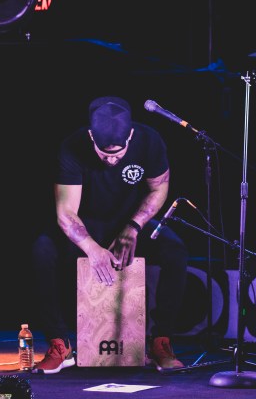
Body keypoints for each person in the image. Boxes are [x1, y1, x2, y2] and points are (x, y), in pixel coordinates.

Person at [30, 96, 189, 374]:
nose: (112, 159)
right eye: (105, 154)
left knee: (175, 250)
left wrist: (134, 227)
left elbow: (159, 188)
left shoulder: (149, 141)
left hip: (130, 221)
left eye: (119, 153)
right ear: (92, 137)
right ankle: (59, 344)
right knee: (42, 250)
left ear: (130, 135)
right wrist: (92, 248)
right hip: (85, 224)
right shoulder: (72, 146)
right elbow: (66, 212)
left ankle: (160, 342)